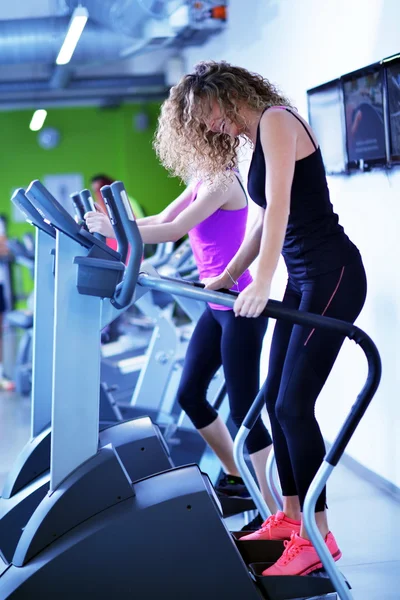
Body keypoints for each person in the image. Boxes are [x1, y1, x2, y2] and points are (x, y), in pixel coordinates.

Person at [152, 60, 367, 577]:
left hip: (332, 273)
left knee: (294, 404)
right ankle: (292, 521)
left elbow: (279, 209)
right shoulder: (258, 136)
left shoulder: (275, 119)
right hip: (305, 278)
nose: (211, 127)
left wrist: (263, 282)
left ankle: (318, 533)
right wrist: (230, 275)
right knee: (275, 401)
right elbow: (259, 227)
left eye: (210, 113)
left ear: (229, 94)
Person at [85, 172, 278, 513]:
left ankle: (272, 508)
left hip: (239, 306)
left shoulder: (222, 183)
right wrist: (110, 222)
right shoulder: (201, 180)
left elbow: (173, 232)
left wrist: (113, 230)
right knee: (190, 394)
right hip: (215, 305)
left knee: (244, 411)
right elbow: (162, 218)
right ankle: (238, 477)